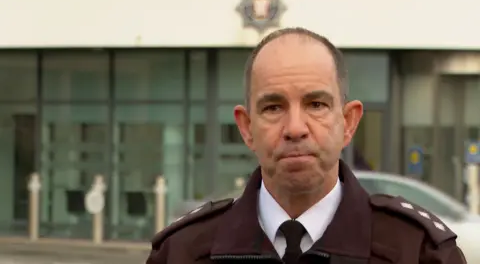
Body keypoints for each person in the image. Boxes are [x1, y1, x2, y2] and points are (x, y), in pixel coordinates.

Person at [146, 28, 466, 264]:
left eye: (316, 104)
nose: (295, 128)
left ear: (349, 122)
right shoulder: (182, 253)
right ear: (246, 128)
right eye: (273, 107)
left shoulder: (420, 253)